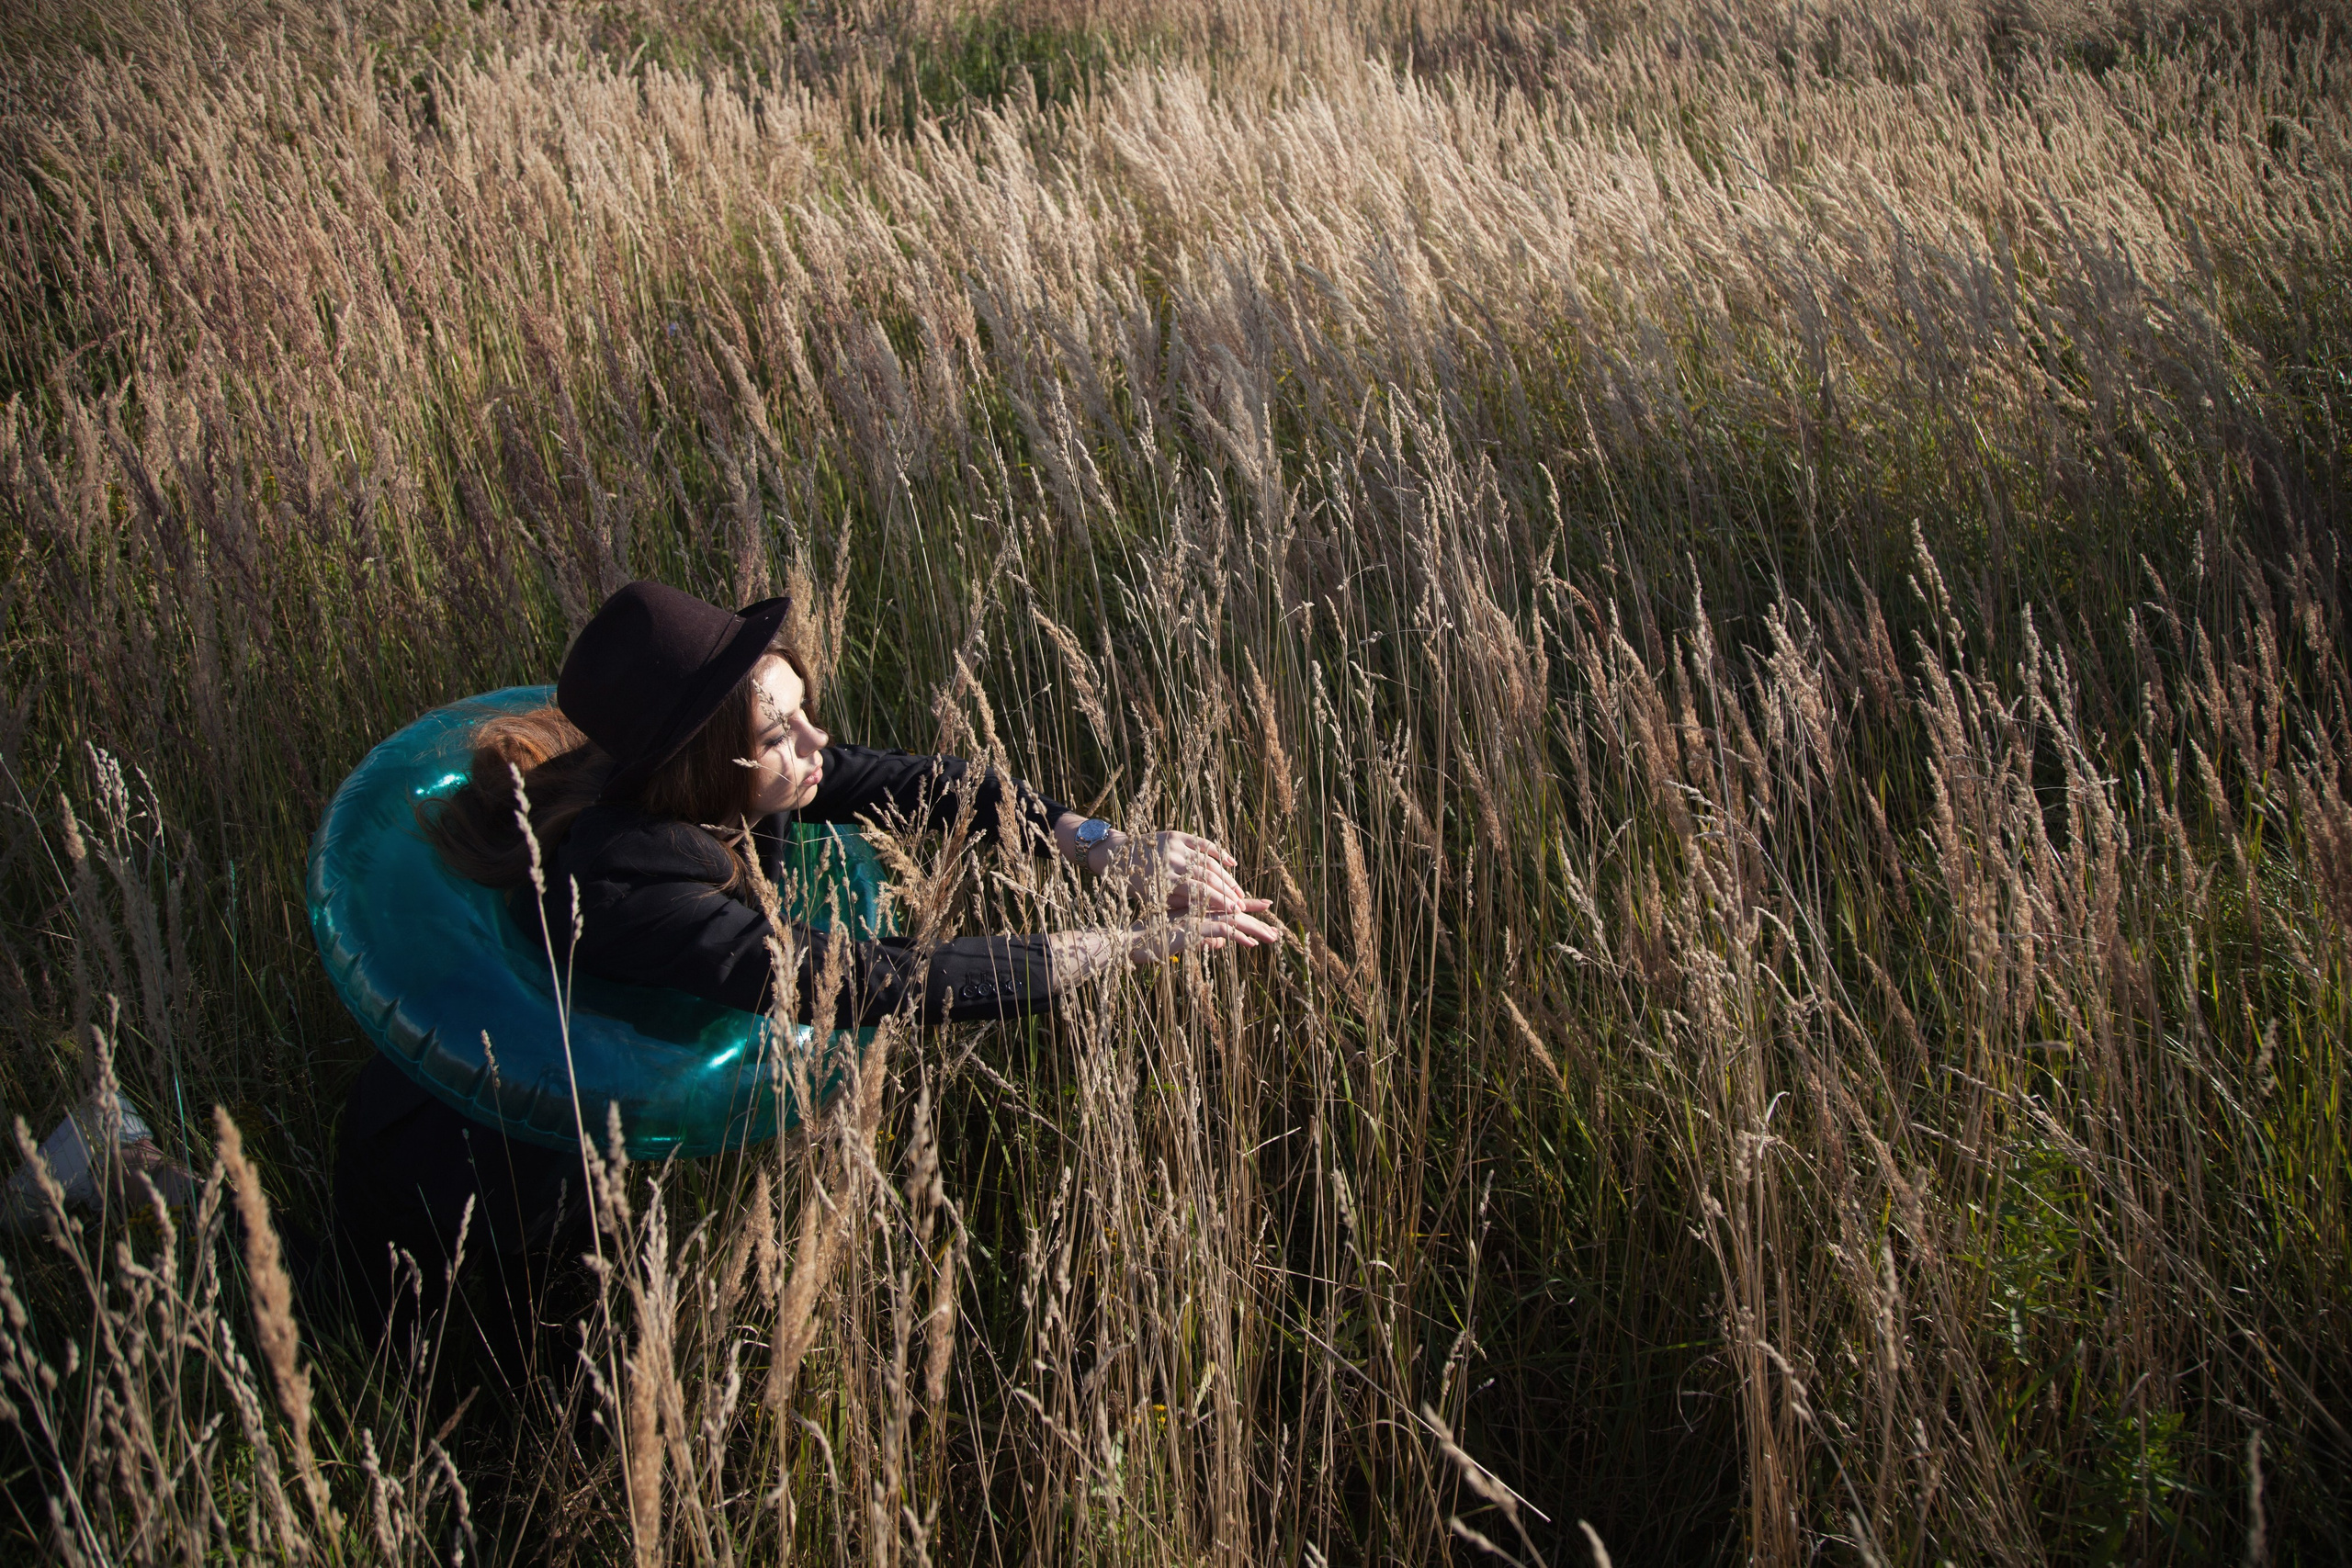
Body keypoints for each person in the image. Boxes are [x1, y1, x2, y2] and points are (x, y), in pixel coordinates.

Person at [328, 581, 1280, 1392]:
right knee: (430, 1387)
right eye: (781, 730)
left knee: (565, 1364)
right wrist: (1120, 947)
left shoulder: (725, 780)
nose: (817, 740)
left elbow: (919, 782)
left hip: (579, 1160)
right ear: (709, 760)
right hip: (460, 1180)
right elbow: (863, 979)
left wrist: (1101, 845)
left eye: (801, 710)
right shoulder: (625, 889)